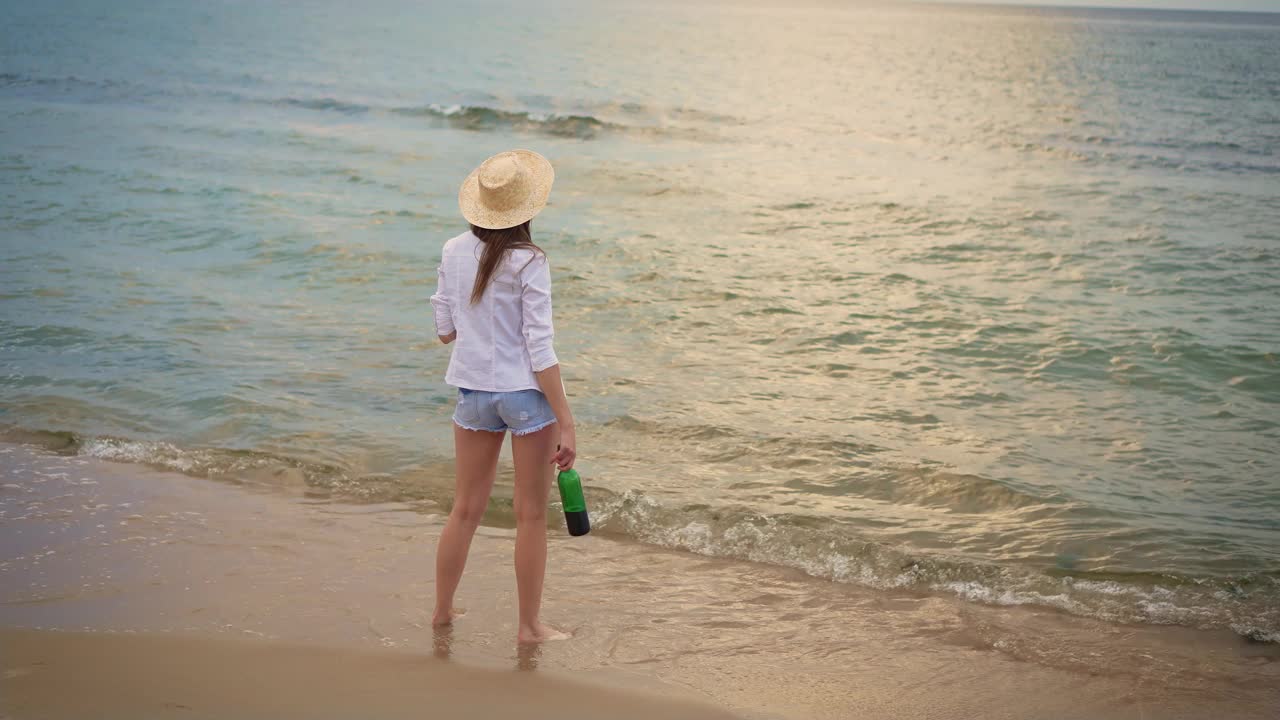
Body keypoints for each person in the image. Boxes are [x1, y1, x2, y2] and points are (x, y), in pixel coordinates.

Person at [429, 149, 576, 644]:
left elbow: (445, 329)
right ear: (527, 209)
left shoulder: (452, 251)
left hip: (472, 393)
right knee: (530, 514)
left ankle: (442, 612)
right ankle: (529, 627)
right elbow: (540, 348)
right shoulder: (530, 261)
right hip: (526, 398)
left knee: (465, 509)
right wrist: (568, 421)